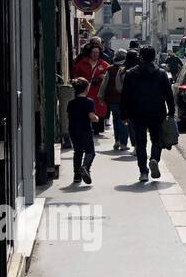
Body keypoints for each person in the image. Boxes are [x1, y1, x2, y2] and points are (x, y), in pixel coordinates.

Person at [120, 46, 176, 183]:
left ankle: (143, 172)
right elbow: (169, 95)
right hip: (157, 112)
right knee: (157, 140)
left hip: (137, 113)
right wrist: (171, 111)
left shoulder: (130, 74)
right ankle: (154, 159)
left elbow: (125, 96)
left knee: (140, 143)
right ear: (154, 57)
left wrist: (124, 114)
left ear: (140, 57)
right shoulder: (161, 74)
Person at [72, 43, 111, 135]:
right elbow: (75, 74)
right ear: (89, 53)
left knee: (99, 109)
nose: (95, 54)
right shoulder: (82, 63)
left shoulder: (104, 64)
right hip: (85, 90)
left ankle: (97, 129)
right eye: (93, 52)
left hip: (98, 91)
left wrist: (102, 77)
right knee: (85, 109)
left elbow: (110, 76)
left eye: (97, 52)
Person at [66, 77, 97, 185]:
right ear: (86, 88)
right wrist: (96, 118)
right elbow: (92, 116)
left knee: (78, 151)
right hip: (85, 129)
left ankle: (77, 176)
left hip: (73, 130)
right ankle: (85, 167)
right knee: (90, 152)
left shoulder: (71, 103)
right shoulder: (89, 102)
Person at [101, 50, 131, 151]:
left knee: (116, 119)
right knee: (124, 120)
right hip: (125, 99)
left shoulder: (110, 69)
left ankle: (117, 140)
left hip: (112, 99)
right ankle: (123, 143)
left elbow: (104, 84)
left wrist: (101, 96)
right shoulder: (127, 70)